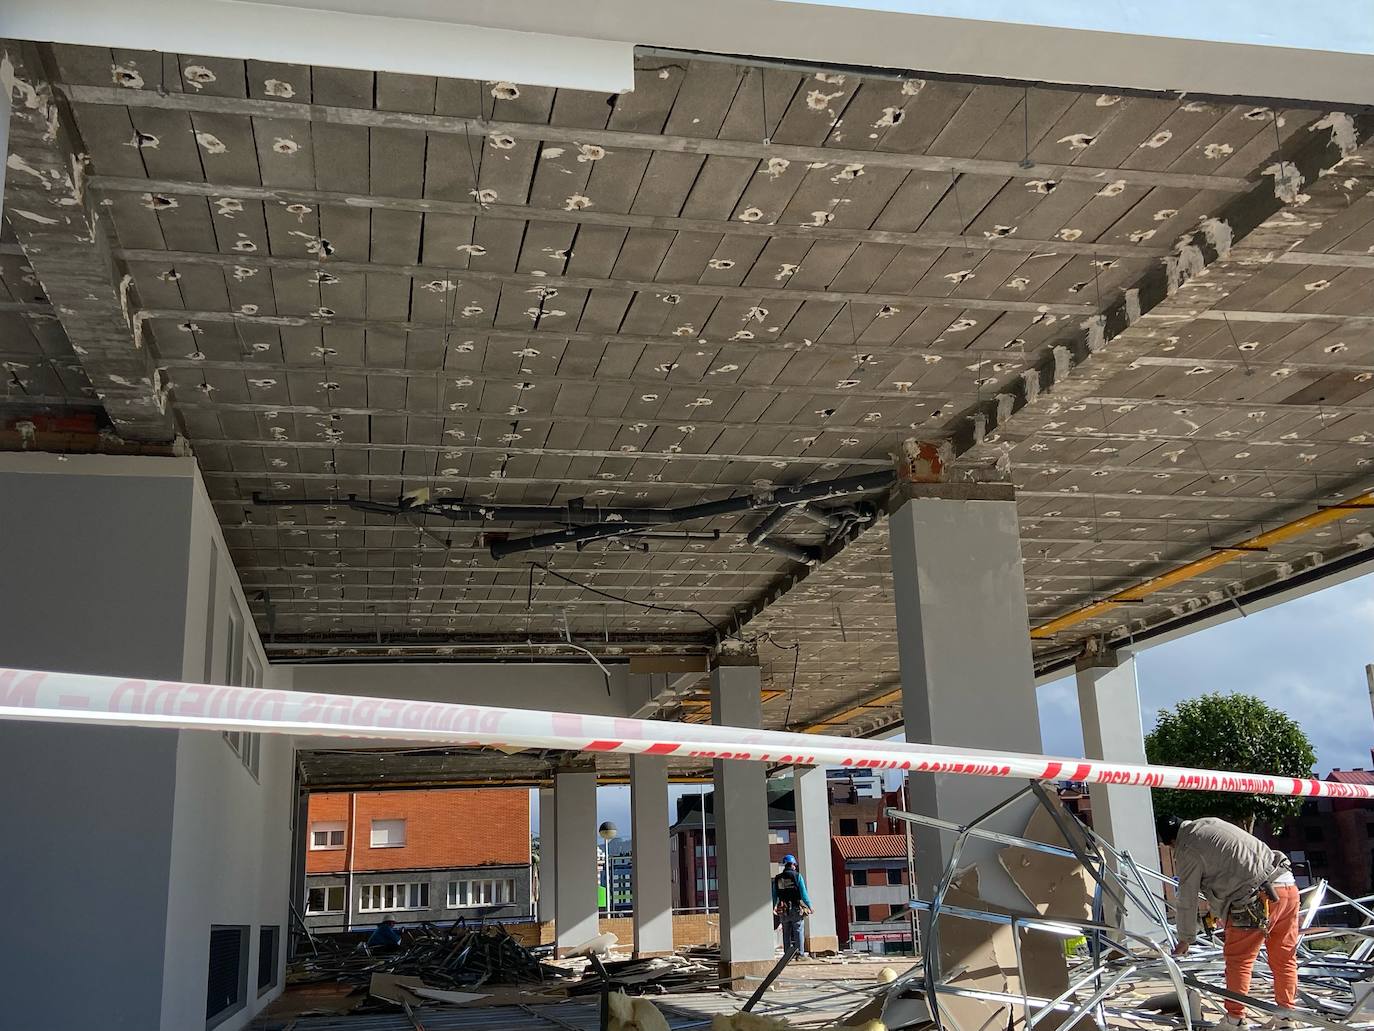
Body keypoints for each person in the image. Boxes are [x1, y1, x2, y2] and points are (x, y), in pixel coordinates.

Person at [1159, 815, 1300, 1029]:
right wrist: (1216, 913)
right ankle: (1285, 1017)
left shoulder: (1187, 848)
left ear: (1170, 841)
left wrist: (1185, 939)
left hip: (1255, 900)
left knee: (1239, 961)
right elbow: (1231, 866)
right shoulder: (1211, 824)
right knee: (1284, 958)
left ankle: (1234, 1020)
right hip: (1286, 887)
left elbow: (1187, 897)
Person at [772, 854, 813, 958]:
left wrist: (774, 907)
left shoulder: (778, 878)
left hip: (783, 909)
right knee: (798, 930)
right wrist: (810, 906)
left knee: (786, 932)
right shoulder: (797, 876)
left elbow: (774, 895)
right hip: (795, 908)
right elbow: (803, 894)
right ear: (793, 864)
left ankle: (787, 955)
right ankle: (800, 954)